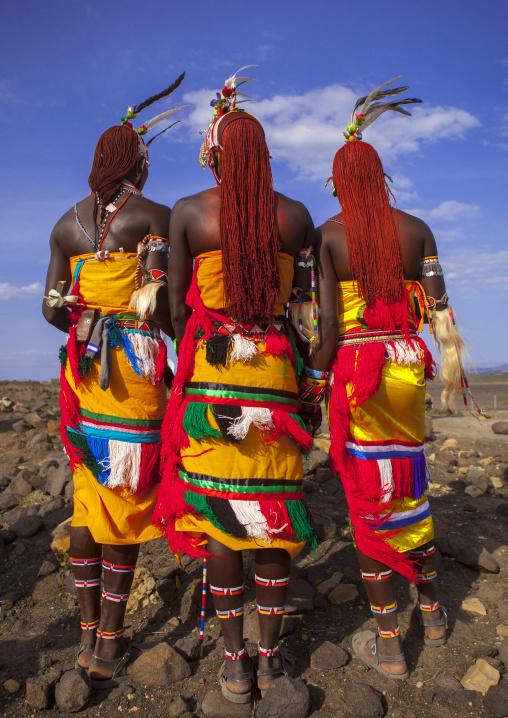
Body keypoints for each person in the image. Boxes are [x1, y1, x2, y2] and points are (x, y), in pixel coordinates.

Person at [152, 68, 316, 703]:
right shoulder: (297, 216)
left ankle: (235, 659)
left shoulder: (191, 212)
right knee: (273, 513)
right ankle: (272, 657)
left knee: (222, 517)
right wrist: (309, 382)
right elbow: (308, 315)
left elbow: (172, 311)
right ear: (264, 156)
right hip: (276, 376)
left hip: (214, 384)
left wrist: (204, 347)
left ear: (214, 152)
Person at [307, 78, 469, 680]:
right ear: (379, 175)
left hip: (355, 374)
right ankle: (431, 609)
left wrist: (311, 386)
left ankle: (389, 641)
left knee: (367, 502)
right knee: (409, 486)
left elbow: (325, 328)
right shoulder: (417, 229)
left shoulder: (327, 236)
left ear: (340, 179)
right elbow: (440, 306)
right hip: (406, 369)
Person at [42, 74, 186, 687]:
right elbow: (162, 307)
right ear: (138, 163)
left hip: (82, 369)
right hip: (134, 372)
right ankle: (109, 640)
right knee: (126, 498)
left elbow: (52, 307)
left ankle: (83, 630)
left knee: (88, 495)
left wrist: (85, 316)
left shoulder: (65, 225)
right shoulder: (156, 216)